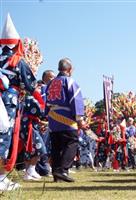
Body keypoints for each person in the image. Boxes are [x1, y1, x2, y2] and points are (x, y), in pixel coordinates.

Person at [0, 14, 44, 191]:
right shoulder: (18, 61)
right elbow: (30, 85)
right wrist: (41, 104)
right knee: (4, 137)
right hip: (8, 103)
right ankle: (1, 178)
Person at [45, 58, 86, 182]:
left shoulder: (51, 83)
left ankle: (57, 174)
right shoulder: (69, 82)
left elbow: (46, 101)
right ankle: (62, 170)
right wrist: (79, 119)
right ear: (69, 69)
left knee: (56, 146)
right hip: (66, 118)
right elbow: (76, 100)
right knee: (71, 142)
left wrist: (46, 116)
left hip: (53, 118)